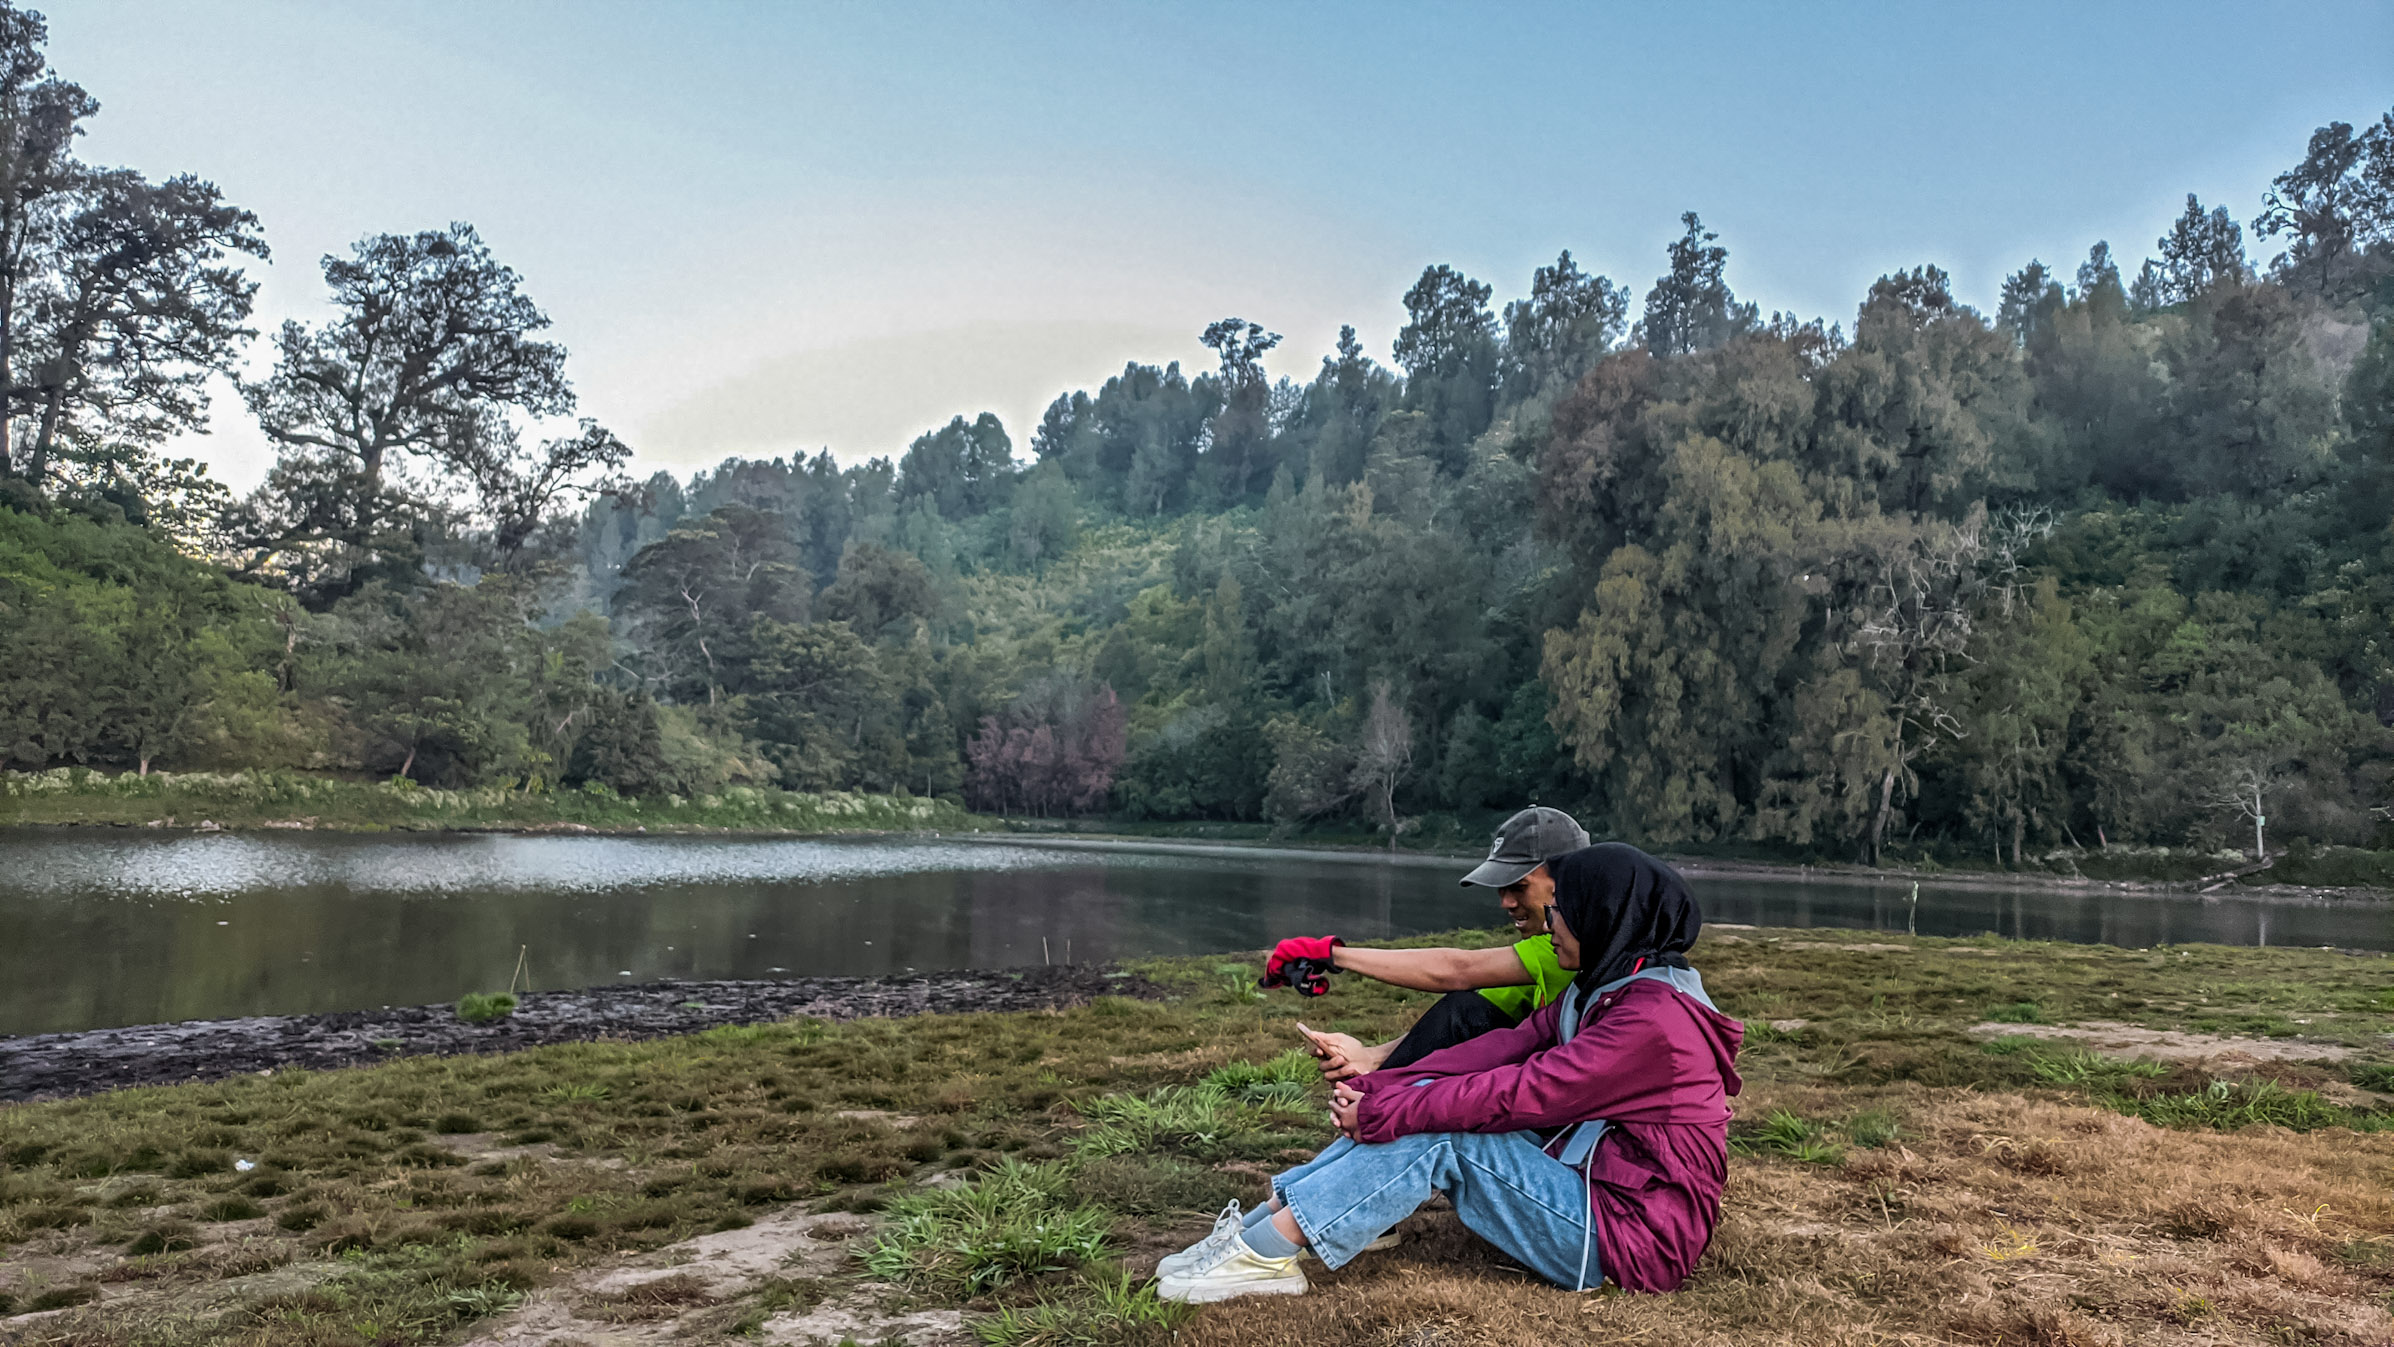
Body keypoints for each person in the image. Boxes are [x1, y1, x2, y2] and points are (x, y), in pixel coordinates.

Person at [1155, 843, 1742, 1304]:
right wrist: (1383, 1085)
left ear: (1603, 914)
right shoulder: (1610, 987)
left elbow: (1528, 1090)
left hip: (1629, 1240)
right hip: (1592, 1185)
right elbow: (1504, 1048)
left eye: (1562, 907)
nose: (1549, 918)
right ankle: (1261, 1230)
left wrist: (1393, 1109)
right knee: (1430, 1098)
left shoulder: (1653, 1021)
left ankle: (1263, 1255)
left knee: (1445, 1129)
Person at [1264, 806, 1589, 1078]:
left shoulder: (1577, 941)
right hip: (1555, 1076)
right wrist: (1374, 1058)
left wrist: (1330, 954)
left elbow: (1456, 969)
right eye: (1500, 889)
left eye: (1518, 887)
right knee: (1469, 1007)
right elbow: (1460, 1018)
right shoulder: (1543, 952)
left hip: (1580, 1106)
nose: (1505, 903)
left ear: (1570, 878)